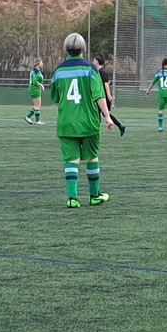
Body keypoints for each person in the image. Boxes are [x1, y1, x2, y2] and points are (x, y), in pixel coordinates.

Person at [49, 33, 113, 208]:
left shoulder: (58, 71)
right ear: (84, 49)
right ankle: (94, 195)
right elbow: (99, 95)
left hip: (66, 123)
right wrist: (107, 116)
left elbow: (55, 96)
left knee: (71, 159)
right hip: (88, 122)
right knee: (92, 157)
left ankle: (72, 198)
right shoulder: (91, 70)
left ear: (66, 49)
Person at [94, 52, 125, 136]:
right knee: (102, 113)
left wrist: (108, 96)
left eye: (94, 59)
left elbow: (106, 84)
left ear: (97, 61)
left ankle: (97, 130)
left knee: (100, 112)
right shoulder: (102, 71)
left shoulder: (101, 72)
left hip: (103, 96)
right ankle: (120, 126)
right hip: (102, 96)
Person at [145, 57, 167, 132]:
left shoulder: (159, 73)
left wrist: (148, 90)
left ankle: (160, 127)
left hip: (161, 94)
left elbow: (153, 82)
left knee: (160, 110)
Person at [25, 58, 45, 125]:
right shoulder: (35, 71)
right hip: (34, 89)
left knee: (37, 105)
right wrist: (41, 85)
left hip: (37, 88)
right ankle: (34, 120)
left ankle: (30, 118)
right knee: (37, 105)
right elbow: (34, 81)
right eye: (41, 63)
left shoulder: (37, 70)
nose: (42, 64)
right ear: (38, 63)